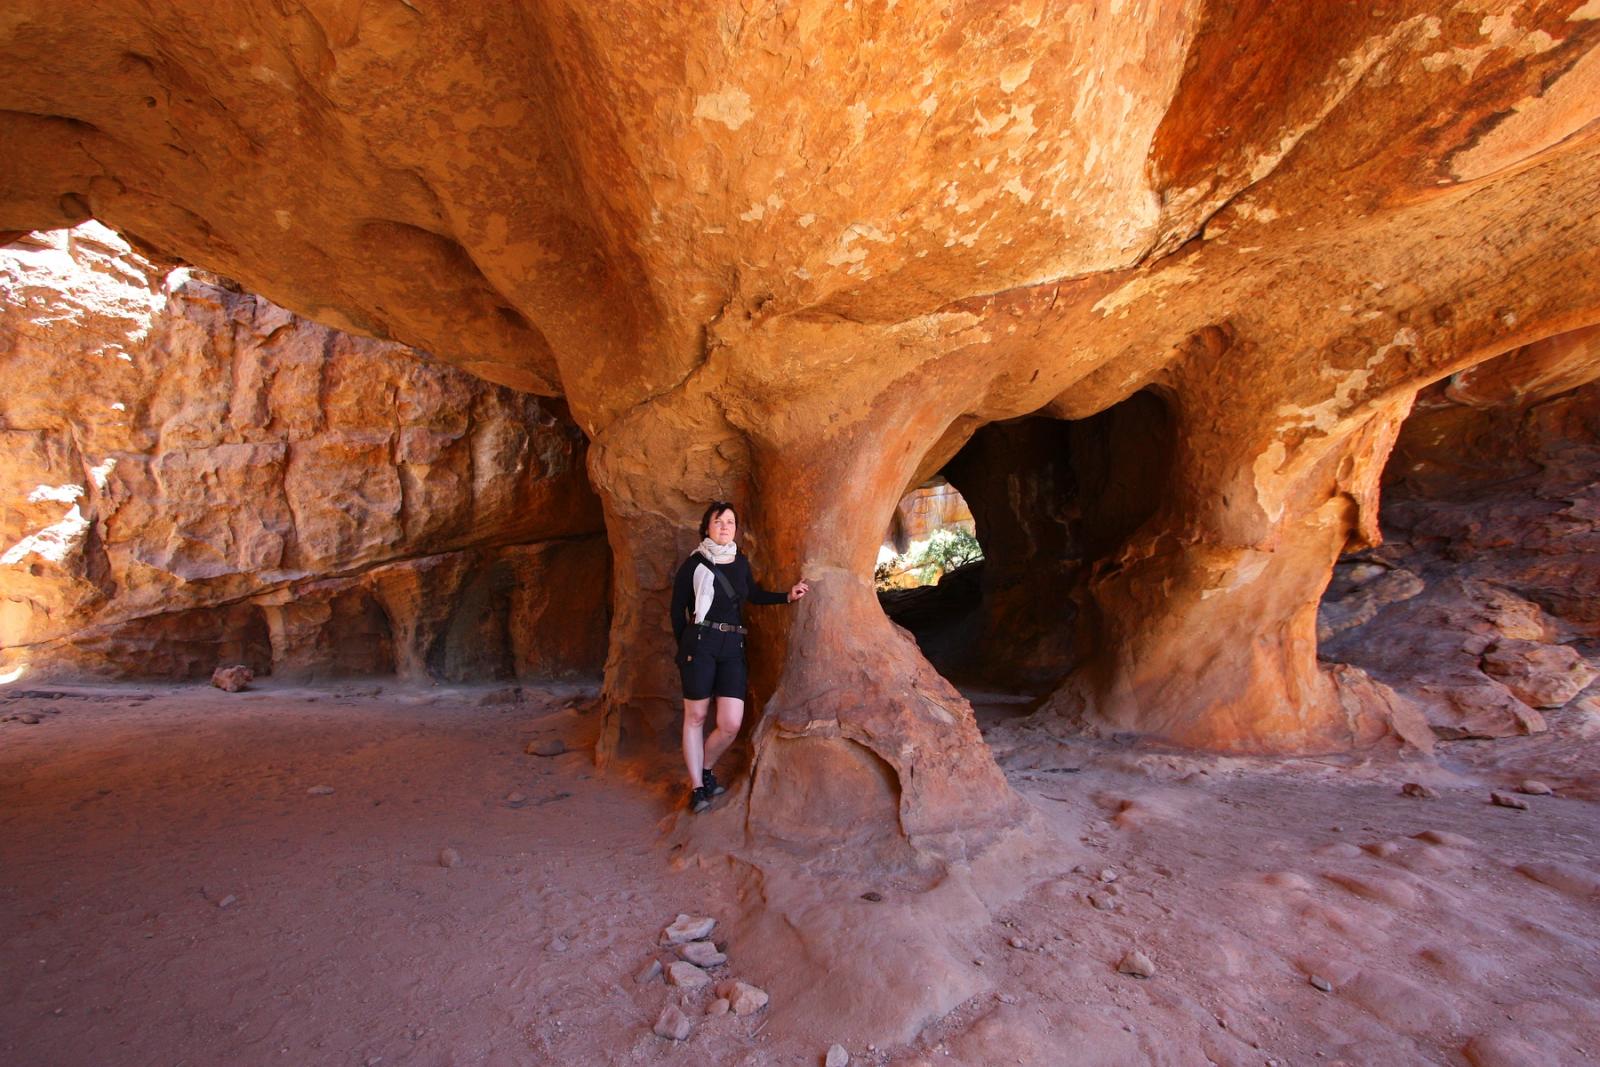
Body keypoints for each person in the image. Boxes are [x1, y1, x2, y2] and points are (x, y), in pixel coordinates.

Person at [670, 501, 809, 813]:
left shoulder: (740, 562)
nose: (724, 527)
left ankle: (705, 768)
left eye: (730, 522)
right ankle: (697, 787)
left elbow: (753, 595)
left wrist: (787, 596)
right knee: (696, 717)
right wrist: (686, 648)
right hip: (701, 644)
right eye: (718, 521)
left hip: (732, 645)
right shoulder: (693, 565)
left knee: (731, 723)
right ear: (706, 527)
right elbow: (677, 611)